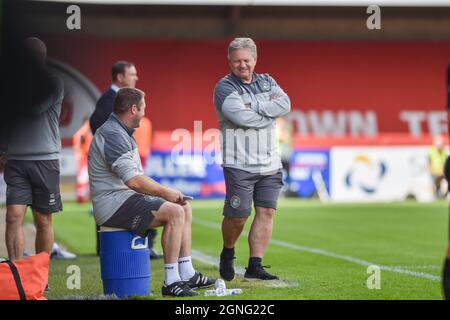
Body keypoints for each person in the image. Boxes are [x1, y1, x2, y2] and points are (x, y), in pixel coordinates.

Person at [88, 88, 215, 296]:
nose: (145, 112)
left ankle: (187, 272)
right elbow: (133, 181)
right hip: (113, 204)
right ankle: (171, 281)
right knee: (175, 212)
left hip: (123, 199)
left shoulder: (121, 130)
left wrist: (165, 193)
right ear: (133, 109)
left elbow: (136, 178)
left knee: (184, 207)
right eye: (144, 108)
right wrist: (165, 192)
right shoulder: (113, 134)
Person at [213, 37, 290, 281]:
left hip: (270, 163)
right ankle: (228, 252)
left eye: (246, 60)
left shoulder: (268, 80)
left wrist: (255, 108)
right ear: (229, 61)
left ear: (255, 60)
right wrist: (269, 113)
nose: (242, 65)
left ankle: (254, 266)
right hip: (239, 163)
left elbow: (285, 103)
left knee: (266, 212)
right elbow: (243, 118)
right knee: (238, 216)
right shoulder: (224, 88)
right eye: (237, 61)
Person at [89, 61, 160, 259]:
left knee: (140, 195)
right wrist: (112, 147)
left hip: (121, 161)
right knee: (144, 197)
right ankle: (127, 245)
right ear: (120, 77)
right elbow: (96, 123)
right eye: (132, 74)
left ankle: (139, 244)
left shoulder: (116, 99)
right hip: (114, 165)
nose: (135, 78)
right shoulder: (108, 99)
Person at [1, 38, 64, 262]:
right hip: (16, 159)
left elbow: (34, 107)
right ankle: (16, 272)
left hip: (45, 159)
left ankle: (40, 276)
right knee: (13, 216)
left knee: (43, 219)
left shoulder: (53, 83)